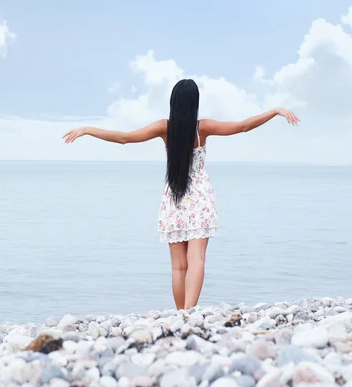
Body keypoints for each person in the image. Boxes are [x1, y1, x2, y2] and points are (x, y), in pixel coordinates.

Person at [63, 78, 300, 310]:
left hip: (174, 196)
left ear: (173, 102)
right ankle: (189, 312)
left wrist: (87, 129)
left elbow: (125, 139)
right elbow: (242, 126)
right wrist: (275, 111)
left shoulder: (163, 128)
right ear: (195, 103)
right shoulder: (202, 128)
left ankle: (180, 314)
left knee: (178, 266)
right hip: (199, 197)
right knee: (197, 260)